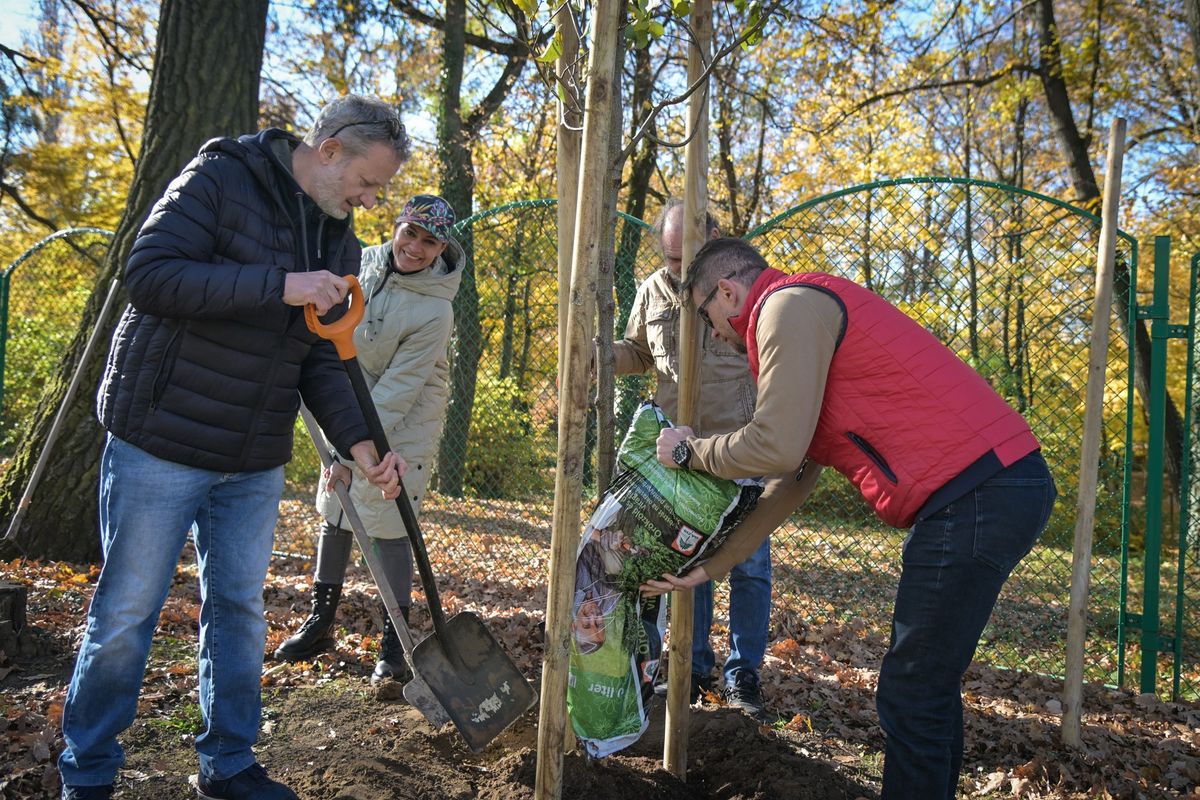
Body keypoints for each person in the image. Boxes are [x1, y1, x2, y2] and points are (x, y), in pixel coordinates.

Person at [58, 95, 411, 800]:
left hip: (253, 453)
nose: (371, 201)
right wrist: (280, 285)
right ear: (331, 148)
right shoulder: (220, 178)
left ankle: (227, 763)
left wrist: (363, 444)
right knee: (128, 613)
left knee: (240, 611)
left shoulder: (334, 237)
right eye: (368, 183)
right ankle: (89, 772)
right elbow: (150, 275)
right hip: (163, 436)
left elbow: (321, 353)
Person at [645, 238, 1057, 799]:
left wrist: (689, 452)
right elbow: (789, 480)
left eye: (707, 316)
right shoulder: (798, 321)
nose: (713, 334)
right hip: (986, 489)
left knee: (913, 687)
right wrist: (711, 565)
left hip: (979, 490)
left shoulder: (785, 309)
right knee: (925, 685)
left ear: (728, 291)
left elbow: (775, 447)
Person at [273, 195, 463, 688]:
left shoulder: (436, 310)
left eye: (429, 242)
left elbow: (398, 392)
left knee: (386, 524)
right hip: (348, 408)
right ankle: (320, 624)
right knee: (335, 509)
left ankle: (394, 645)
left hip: (401, 425)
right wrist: (339, 436)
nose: (415, 248)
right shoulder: (361, 263)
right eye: (410, 234)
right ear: (396, 227)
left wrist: (345, 448)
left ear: (443, 247)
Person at [608, 199, 773, 719]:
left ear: (717, 239)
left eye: (689, 258)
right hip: (674, 450)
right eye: (671, 259)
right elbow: (637, 352)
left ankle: (743, 672)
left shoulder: (744, 288)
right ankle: (695, 666)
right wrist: (595, 355)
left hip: (740, 444)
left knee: (748, 561)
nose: (679, 272)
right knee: (689, 556)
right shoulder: (654, 289)